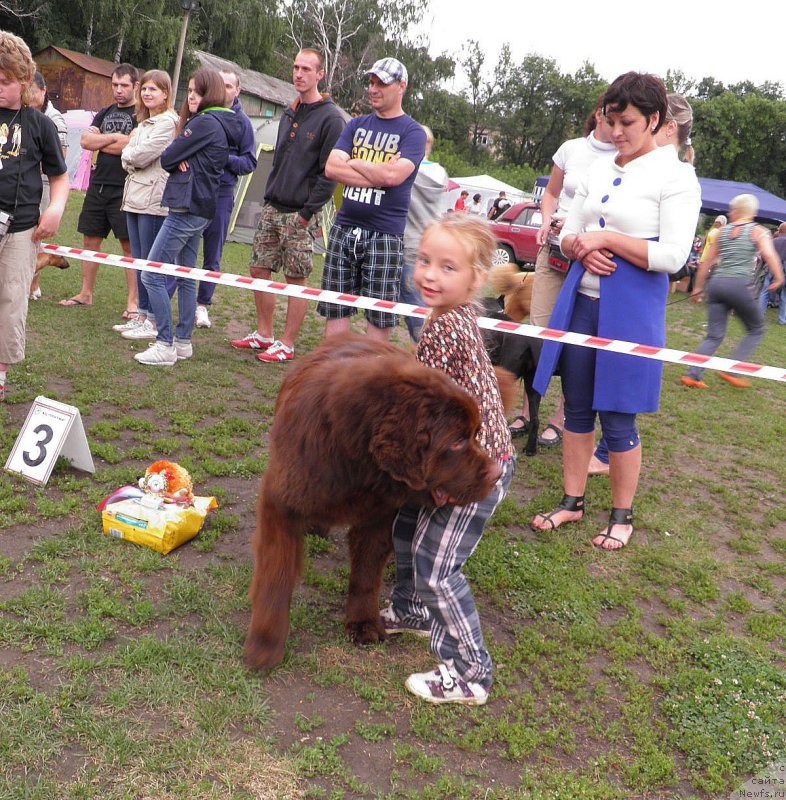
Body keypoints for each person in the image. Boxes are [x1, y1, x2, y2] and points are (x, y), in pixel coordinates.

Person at [530, 72, 701, 550]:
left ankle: (621, 516)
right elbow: (567, 231)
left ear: (655, 120)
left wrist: (605, 239)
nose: (616, 132)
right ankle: (571, 501)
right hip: (580, 302)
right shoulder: (599, 169)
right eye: (610, 121)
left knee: (619, 416)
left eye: (626, 122)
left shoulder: (677, 177)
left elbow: (672, 257)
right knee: (577, 409)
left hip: (631, 311)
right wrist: (579, 246)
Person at [380, 213, 514, 705]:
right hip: (458, 458)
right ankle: (411, 610)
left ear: (476, 278)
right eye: (424, 261)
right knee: (405, 529)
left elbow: (430, 411)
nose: (430, 274)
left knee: (437, 567)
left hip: (476, 469)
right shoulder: (447, 317)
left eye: (447, 267)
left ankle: (470, 671)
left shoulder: (446, 329)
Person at [512, 96, 615, 456]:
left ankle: (562, 417)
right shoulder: (571, 149)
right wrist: (546, 220)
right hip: (552, 251)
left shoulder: (623, 158)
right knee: (538, 335)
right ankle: (528, 412)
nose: (618, 125)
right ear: (601, 113)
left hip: (589, 257)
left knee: (576, 340)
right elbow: (551, 194)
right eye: (613, 114)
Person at [230, 49, 344, 360]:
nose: (298, 73)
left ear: (319, 74)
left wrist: (307, 215)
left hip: (300, 213)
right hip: (272, 206)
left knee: (296, 278)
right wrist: (268, 198)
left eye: (306, 69)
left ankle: (287, 343)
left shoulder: (331, 118)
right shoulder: (290, 111)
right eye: (295, 67)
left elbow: (328, 174)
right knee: (259, 268)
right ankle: (264, 334)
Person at [134, 68, 243, 367]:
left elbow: (168, 157)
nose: (191, 96)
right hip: (199, 207)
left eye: (198, 91)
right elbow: (176, 156)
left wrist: (181, 155)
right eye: (190, 90)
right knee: (185, 275)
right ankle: (182, 341)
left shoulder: (206, 123)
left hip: (187, 208)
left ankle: (165, 342)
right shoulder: (218, 122)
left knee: (152, 274)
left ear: (211, 94)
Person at [318, 57, 426, 341]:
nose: (373, 89)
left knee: (379, 317)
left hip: (385, 234)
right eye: (371, 82)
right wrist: (378, 170)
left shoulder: (412, 132)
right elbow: (331, 167)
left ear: (401, 86)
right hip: (343, 229)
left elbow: (393, 177)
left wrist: (354, 161)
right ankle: (337, 380)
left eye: (382, 83)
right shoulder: (355, 125)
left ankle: (368, 383)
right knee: (335, 309)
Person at [0, 31, 68, 402]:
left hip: (21, 230)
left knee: (11, 302)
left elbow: (59, 177)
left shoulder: (40, 125)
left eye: (6, 82)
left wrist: (55, 209)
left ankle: (0, 376)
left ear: (25, 81)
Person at [681, 193, 784, 389]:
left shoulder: (722, 232)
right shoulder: (758, 231)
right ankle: (731, 369)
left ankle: (692, 375)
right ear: (751, 212)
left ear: (737, 211)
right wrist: (779, 277)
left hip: (717, 284)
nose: (729, 212)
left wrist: (697, 288)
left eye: (731, 209)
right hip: (738, 284)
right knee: (756, 329)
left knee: (714, 335)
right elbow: (770, 256)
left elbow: (706, 262)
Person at [60, 63, 139, 314]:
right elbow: (85, 141)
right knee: (90, 240)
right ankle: (85, 293)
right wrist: (115, 139)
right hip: (98, 186)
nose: (118, 90)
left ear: (135, 86)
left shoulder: (141, 114)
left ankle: (133, 303)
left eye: (124, 85)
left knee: (129, 246)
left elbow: (133, 145)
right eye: (115, 85)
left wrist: (101, 141)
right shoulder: (104, 112)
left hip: (125, 187)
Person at [114, 69, 178, 342]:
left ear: (166, 93)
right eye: (145, 89)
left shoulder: (168, 123)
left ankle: (153, 319)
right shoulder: (141, 124)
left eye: (155, 89)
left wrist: (129, 155)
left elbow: (139, 155)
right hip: (134, 198)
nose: (148, 94)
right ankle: (141, 314)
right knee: (139, 260)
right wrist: (130, 155)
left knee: (152, 265)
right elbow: (129, 155)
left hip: (154, 200)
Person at [194, 69, 257, 330]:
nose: (225, 89)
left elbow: (250, 162)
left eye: (229, 85)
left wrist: (222, 158)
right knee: (179, 247)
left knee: (212, 254)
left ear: (237, 90)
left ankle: (202, 306)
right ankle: (164, 300)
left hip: (221, 194)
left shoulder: (243, 124)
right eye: (221, 85)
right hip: (194, 191)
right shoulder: (203, 114)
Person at [400, 124, 448, 342]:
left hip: (409, 242)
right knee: (424, 302)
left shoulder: (409, 171)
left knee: (413, 304)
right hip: (432, 243)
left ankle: (427, 348)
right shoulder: (440, 173)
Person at [27, 70, 67, 301]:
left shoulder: (53, 119)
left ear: (43, 91)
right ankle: (31, 285)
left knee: (34, 237)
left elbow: (58, 161)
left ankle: (32, 284)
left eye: (33, 90)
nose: (29, 95)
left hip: (43, 183)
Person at [759, 221, 786, 321]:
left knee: (764, 292)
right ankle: (782, 319)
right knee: (784, 295)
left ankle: (760, 316)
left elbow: (765, 255)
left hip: (771, 267)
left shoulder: (773, 241)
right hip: (785, 270)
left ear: (780, 230)